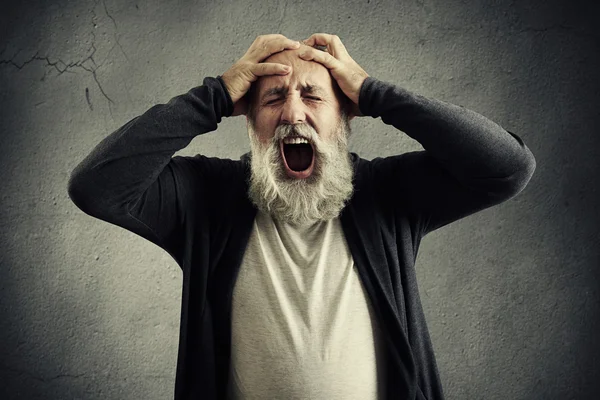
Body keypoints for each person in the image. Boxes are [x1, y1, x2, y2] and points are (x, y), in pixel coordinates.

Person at [67, 33, 536, 400]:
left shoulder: (389, 194)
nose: (293, 112)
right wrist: (213, 96)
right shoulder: (206, 198)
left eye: (313, 97)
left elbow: (508, 167)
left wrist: (375, 93)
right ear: (249, 120)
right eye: (272, 100)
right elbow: (95, 187)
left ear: (344, 118)